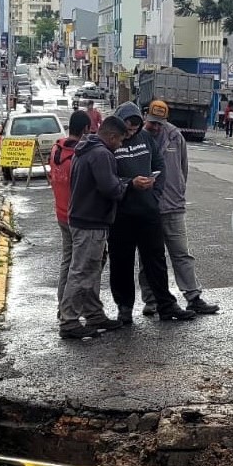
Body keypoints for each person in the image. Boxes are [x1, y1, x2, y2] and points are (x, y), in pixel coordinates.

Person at [109, 102, 196, 323]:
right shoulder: (112, 142)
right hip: (121, 214)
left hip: (148, 210)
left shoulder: (146, 139)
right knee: (122, 262)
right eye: (127, 128)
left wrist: (155, 194)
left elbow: (160, 166)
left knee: (156, 260)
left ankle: (166, 305)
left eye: (134, 128)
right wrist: (130, 184)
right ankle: (125, 308)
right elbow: (106, 177)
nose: (131, 132)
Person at [138, 100, 219, 316]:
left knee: (181, 254)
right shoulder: (139, 138)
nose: (156, 127)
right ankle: (150, 300)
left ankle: (193, 297)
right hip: (149, 208)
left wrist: (179, 191)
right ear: (146, 117)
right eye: (152, 122)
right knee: (148, 257)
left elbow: (183, 168)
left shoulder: (175, 136)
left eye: (160, 123)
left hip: (173, 205)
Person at [59, 116, 136, 340]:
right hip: (91, 220)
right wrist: (127, 185)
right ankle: (69, 320)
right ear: (111, 136)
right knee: (82, 270)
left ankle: (93, 314)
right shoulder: (102, 154)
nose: (120, 145)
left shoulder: (85, 148)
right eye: (120, 140)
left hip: (82, 217)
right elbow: (110, 188)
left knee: (91, 269)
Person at [48, 110, 91, 320]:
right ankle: (71, 307)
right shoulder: (78, 156)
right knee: (79, 265)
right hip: (76, 216)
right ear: (85, 129)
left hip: (61, 213)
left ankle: (61, 304)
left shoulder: (56, 149)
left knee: (67, 260)